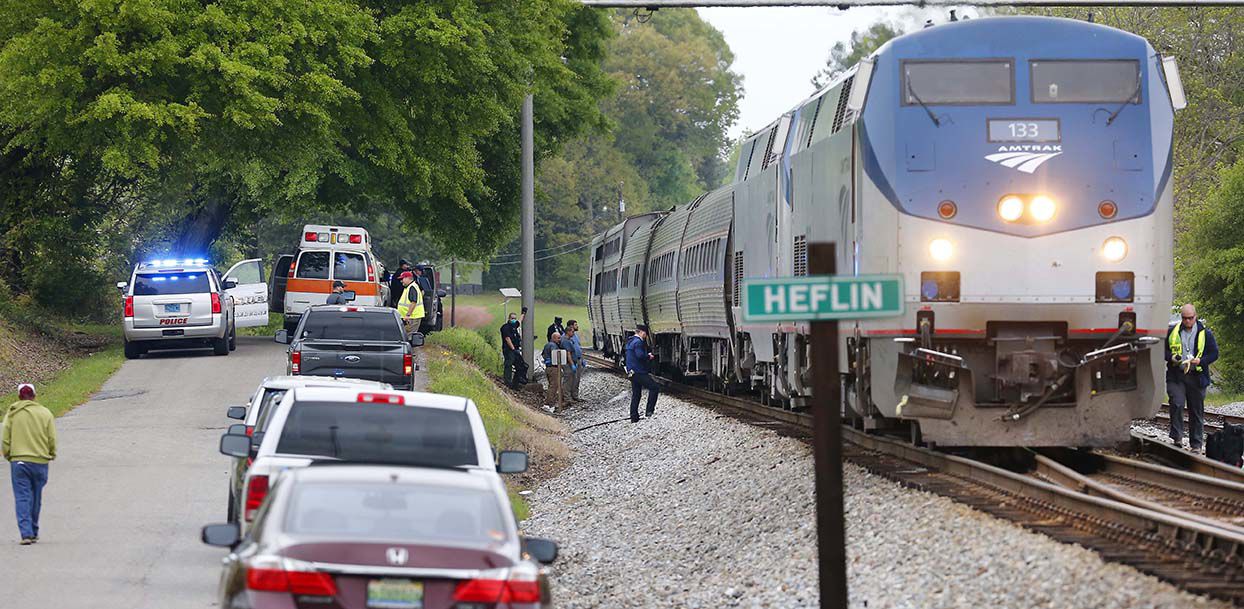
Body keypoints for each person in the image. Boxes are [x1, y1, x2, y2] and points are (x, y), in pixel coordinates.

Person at [3, 384, 56, 545]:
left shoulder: (12, 414)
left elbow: (5, 438)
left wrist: (8, 454)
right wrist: (51, 453)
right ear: (34, 396)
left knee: (22, 497)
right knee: (36, 496)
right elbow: (51, 437)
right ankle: (34, 530)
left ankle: (26, 533)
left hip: (19, 461)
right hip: (40, 461)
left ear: (19, 397)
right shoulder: (45, 413)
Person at [1165, 304, 1218, 453]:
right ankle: (1177, 438)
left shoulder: (1205, 334)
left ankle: (1196, 444)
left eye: (1190, 318)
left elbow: (1214, 354)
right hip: (1177, 376)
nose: (1187, 321)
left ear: (1195, 316)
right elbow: (1163, 351)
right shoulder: (1172, 332)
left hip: (1197, 377)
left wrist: (1201, 361)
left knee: (1196, 411)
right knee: (1177, 403)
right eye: (1184, 318)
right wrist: (1172, 357)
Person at [624, 325, 659, 423]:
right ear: (642, 332)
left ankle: (634, 416)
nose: (645, 336)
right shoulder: (638, 342)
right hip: (638, 371)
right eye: (645, 334)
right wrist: (648, 356)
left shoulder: (630, 340)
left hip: (631, 372)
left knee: (636, 394)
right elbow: (640, 355)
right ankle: (649, 411)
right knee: (654, 387)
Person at [560, 320, 584, 401]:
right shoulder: (565, 339)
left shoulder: (574, 337)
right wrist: (572, 364)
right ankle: (567, 397)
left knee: (576, 379)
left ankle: (574, 396)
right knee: (569, 380)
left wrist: (581, 358)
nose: (577, 326)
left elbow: (578, 347)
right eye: (575, 325)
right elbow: (568, 353)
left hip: (577, 360)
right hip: (571, 362)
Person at [501, 312, 523, 389]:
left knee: (519, 365)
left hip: (515, 349)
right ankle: (507, 382)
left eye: (515, 318)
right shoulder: (505, 327)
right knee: (509, 364)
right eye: (512, 318)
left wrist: (523, 313)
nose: (514, 320)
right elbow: (507, 339)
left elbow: (519, 322)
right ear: (509, 318)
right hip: (509, 349)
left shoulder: (514, 326)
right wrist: (513, 349)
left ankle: (515, 383)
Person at [542, 332, 564, 409]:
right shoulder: (553, 346)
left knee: (551, 385)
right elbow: (555, 356)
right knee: (554, 386)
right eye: (558, 338)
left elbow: (543, 354)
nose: (560, 340)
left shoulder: (547, 345)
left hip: (548, 368)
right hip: (553, 368)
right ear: (553, 338)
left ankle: (550, 403)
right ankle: (548, 404)